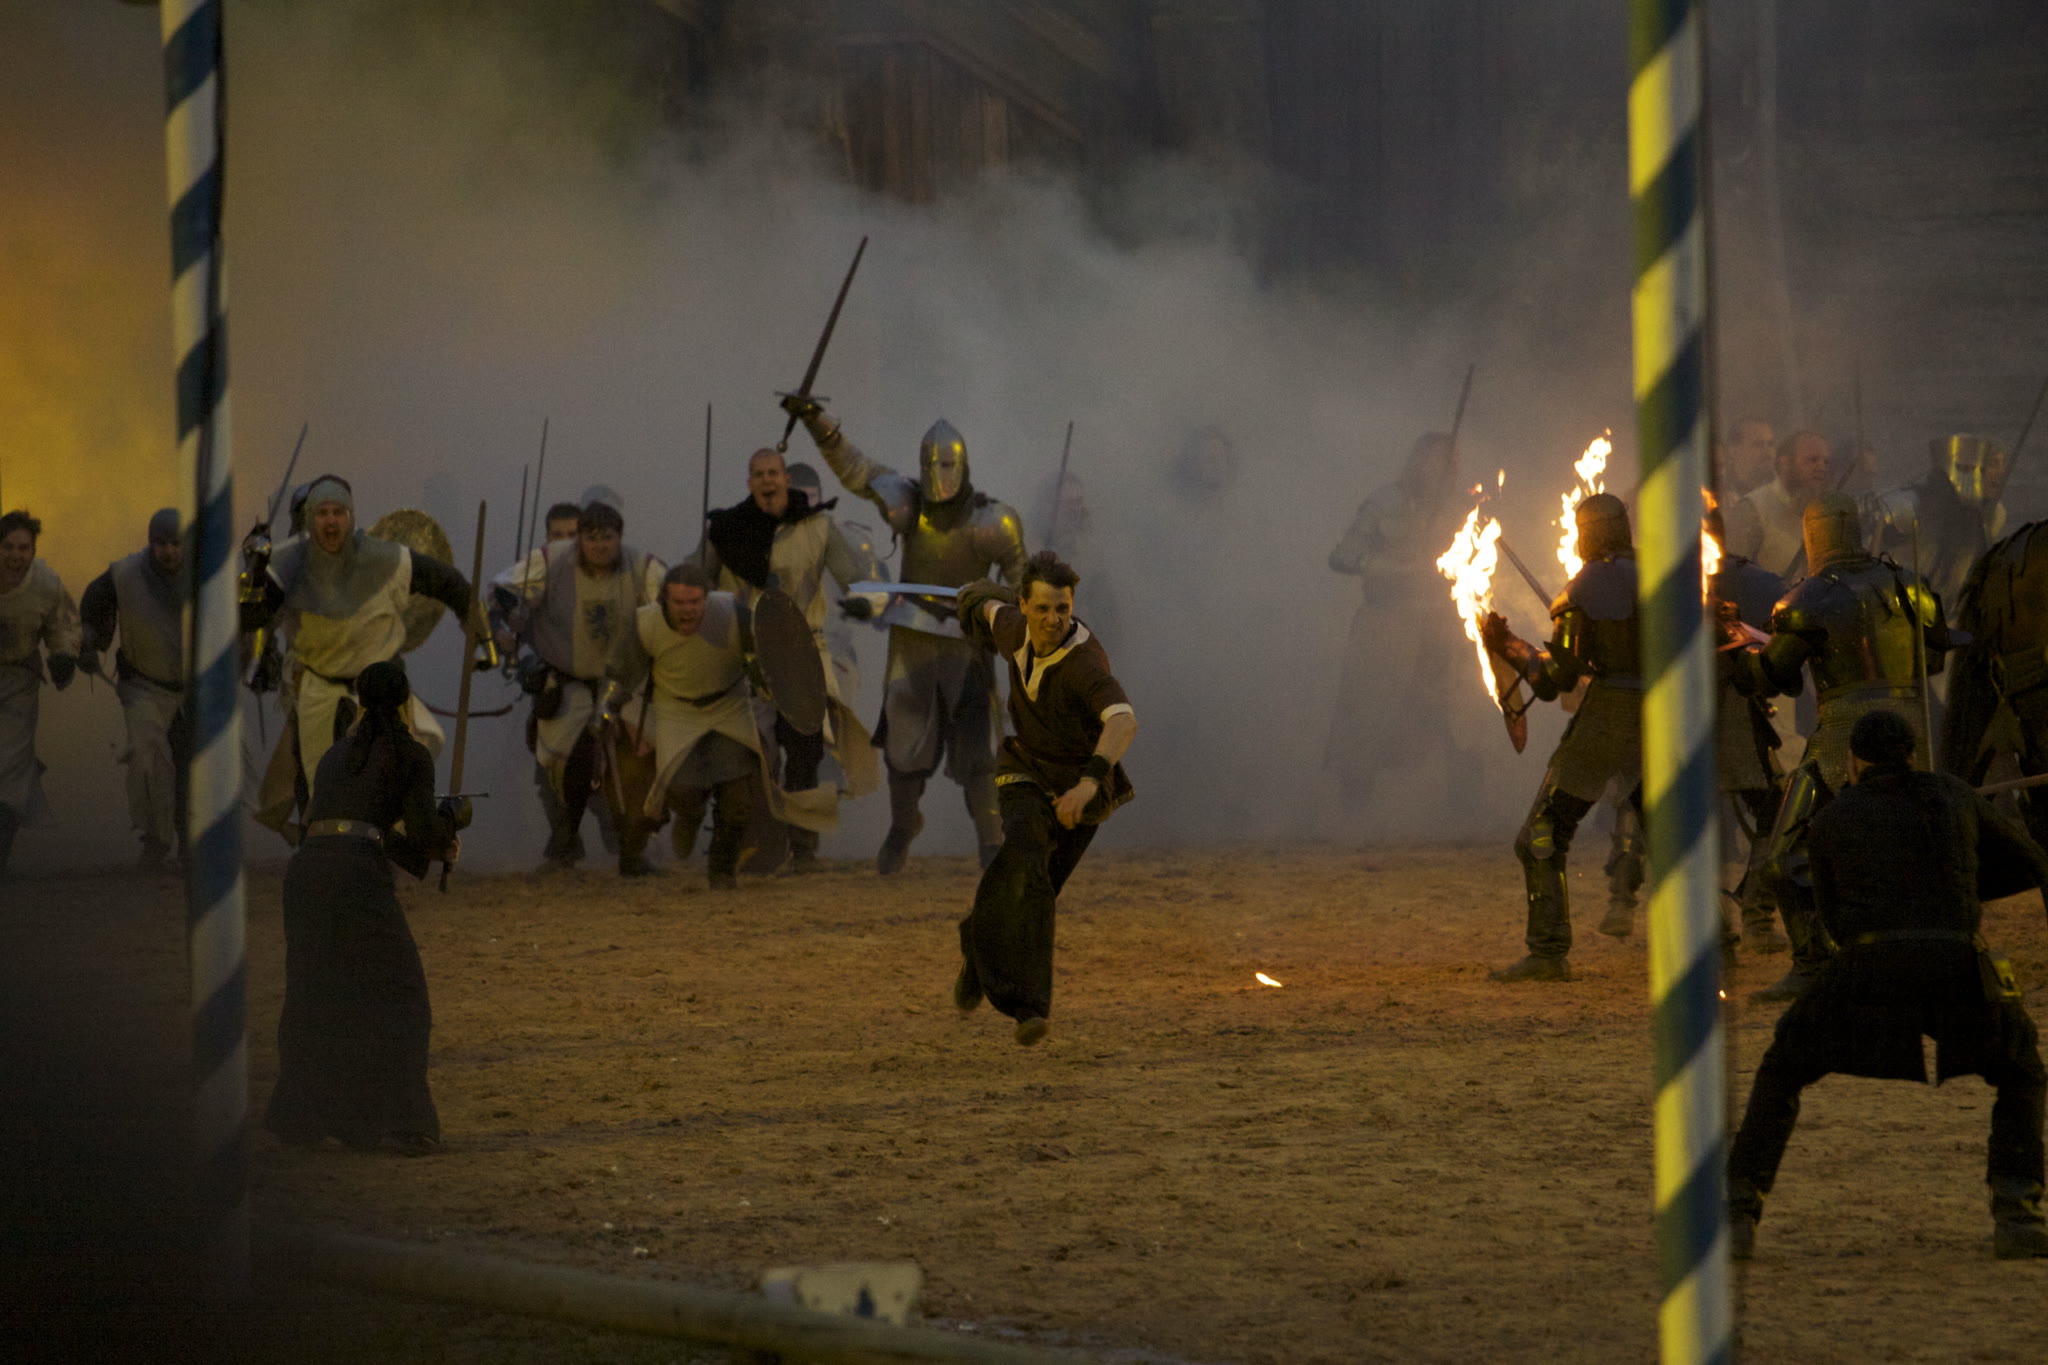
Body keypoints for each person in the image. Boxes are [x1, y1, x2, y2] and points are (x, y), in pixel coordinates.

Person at [1726, 708, 2048, 1261]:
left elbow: (1833, 918)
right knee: (2021, 1070)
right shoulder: (1955, 795)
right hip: (1956, 960)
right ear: (1912, 755)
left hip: (1869, 964)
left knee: (1781, 1069)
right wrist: (1961, 886)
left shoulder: (1832, 817)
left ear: (1853, 762)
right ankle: (2018, 1211)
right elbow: (2031, 861)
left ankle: (1736, 1212)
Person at [780, 396, 1029, 873]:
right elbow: (853, 466)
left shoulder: (993, 521)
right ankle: (903, 825)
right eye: (931, 465)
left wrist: (1005, 620)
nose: (939, 475)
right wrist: (815, 419)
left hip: (967, 646)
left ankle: (991, 841)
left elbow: (1021, 583)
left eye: (947, 465)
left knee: (977, 752)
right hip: (912, 642)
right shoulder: (906, 502)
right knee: (903, 749)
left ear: (963, 465)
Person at [1728, 493, 1951, 1002]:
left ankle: (1814, 963)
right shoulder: (1909, 583)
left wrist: (1742, 651)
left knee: (1786, 854)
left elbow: (1772, 676)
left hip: (1845, 734)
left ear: (1815, 534)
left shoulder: (1807, 598)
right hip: (1912, 727)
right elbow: (1935, 659)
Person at [263, 659, 461, 1156]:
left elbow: (355, 826)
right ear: (405, 701)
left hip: (308, 872)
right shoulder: (411, 754)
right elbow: (416, 831)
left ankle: (300, 1116)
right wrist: (447, 830)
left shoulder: (336, 756)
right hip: (355, 876)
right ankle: (405, 1122)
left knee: (314, 992)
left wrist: (432, 845)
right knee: (402, 996)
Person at [954, 552, 1135, 1045]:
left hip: (1079, 786)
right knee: (1026, 851)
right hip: (1024, 769)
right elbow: (983, 604)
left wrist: (1089, 783)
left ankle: (976, 941)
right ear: (1024, 605)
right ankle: (1028, 1006)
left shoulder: (1085, 664)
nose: (1053, 619)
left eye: (1062, 608)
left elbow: (1123, 721)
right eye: (1043, 609)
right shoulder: (1012, 627)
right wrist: (971, 599)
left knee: (1041, 890)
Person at [240, 475, 476, 817]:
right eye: (321, 513)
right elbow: (256, 619)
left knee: (394, 774)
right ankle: (314, 836)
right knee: (314, 782)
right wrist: (255, 575)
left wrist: (474, 622)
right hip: (315, 682)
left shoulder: (379, 559)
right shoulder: (287, 563)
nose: (330, 522)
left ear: (349, 516)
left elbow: (444, 583)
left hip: (376, 685)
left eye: (337, 512)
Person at [694, 446, 883, 873]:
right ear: (750, 482)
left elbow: (855, 579)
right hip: (746, 656)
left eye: (773, 473)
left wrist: (866, 602)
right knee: (753, 754)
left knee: (804, 753)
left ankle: (803, 847)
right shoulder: (726, 530)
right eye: (759, 474)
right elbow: (693, 580)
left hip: (803, 653)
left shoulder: (818, 528)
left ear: (785, 480)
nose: (767, 480)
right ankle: (757, 843)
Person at [1478, 493, 1642, 982]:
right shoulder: (1669, 578)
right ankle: (1721, 946)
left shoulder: (1583, 589)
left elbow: (1555, 682)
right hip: (1669, 718)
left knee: (1542, 835)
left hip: (1608, 722)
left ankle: (1548, 952)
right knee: (1679, 841)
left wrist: (1510, 646)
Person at [490, 500, 664, 872]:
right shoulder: (551, 561)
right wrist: (507, 619)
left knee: (642, 760)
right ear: (580, 539)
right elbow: (501, 592)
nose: (600, 545)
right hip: (567, 681)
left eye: (608, 537)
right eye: (592, 537)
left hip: (627, 683)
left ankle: (633, 849)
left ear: (620, 537)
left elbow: (672, 607)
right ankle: (565, 840)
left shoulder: (642, 566)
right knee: (556, 763)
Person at [1326, 432, 1470, 806]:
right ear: (1418, 462)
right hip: (1385, 622)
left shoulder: (1462, 509)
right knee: (1368, 714)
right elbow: (1343, 557)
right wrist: (1398, 568)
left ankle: (1461, 807)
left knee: (1452, 714)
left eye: (1448, 462)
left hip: (1440, 625)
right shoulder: (1384, 503)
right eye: (1433, 460)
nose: (1439, 469)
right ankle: (1354, 802)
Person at [614, 565, 765, 890]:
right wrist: (613, 709)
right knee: (683, 792)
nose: (688, 610)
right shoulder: (647, 624)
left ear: (706, 599)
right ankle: (691, 815)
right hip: (676, 710)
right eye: (680, 602)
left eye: (695, 601)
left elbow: (762, 661)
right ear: (664, 600)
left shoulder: (733, 616)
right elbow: (624, 676)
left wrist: (765, 676)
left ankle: (722, 872)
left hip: (729, 706)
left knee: (738, 800)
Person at [79, 509, 191, 868]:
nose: (168, 551)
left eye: (175, 543)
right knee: (148, 758)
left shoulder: (207, 576)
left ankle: (191, 841)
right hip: (144, 685)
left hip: (193, 690)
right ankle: (156, 838)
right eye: (161, 543)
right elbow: (94, 605)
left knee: (191, 765)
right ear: (150, 543)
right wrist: (88, 640)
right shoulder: (125, 574)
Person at [0, 510, 81, 876]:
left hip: (18, 681)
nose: (16, 556)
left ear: (33, 551)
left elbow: (63, 622)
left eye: (24, 548)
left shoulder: (45, 583)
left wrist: (63, 654)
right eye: (8, 547)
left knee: (9, 769)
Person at [1868, 434, 2011, 609]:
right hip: (1901, 607)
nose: (2001, 472)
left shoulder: (1989, 517)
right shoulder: (1911, 504)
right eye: (1993, 464)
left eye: (2003, 464)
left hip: (1949, 613)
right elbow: (1871, 558)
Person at [1723, 429, 1831, 577]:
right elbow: (1732, 575)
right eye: (1812, 460)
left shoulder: (1825, 512)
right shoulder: (1753, 508)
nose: (1821, 467)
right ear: (1784, 463)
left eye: (1826, 462)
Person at [1719, 416, 1778, 500]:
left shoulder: (1782, 491)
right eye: (1758, 444)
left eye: (1770, 444)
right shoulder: (1719, 493)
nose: (1767, 452)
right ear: (1733, 451)